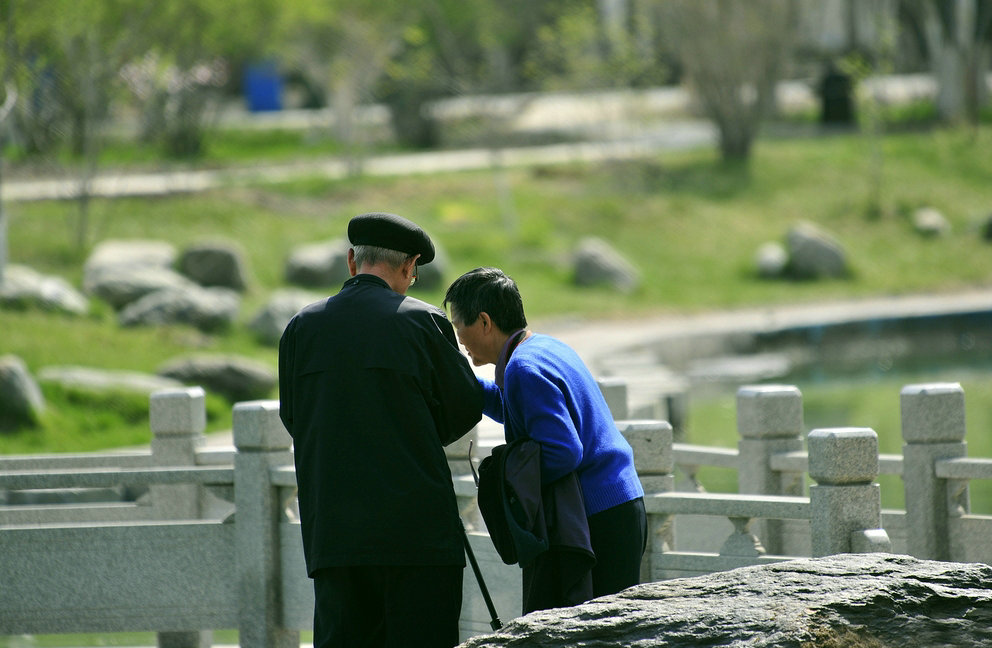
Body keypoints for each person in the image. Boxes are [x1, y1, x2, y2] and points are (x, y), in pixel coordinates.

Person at [279, 212, 484, 648]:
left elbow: (294, 418)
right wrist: (413, 434)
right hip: (418, 537)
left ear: (352, 261)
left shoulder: (301, 329)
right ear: (410, 266)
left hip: (335, 539)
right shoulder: (422, 322)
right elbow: (465, 406)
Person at [443, 266, 646, 612]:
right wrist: (458, 379)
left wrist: (506, 484)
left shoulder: (523, 369)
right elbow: (514, 407)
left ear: (485, 322)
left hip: (599, 515)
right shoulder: (542, 348)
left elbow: (563, 451)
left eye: (460, 328)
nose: (459, 339)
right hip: (620, 503)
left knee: (601, 632)